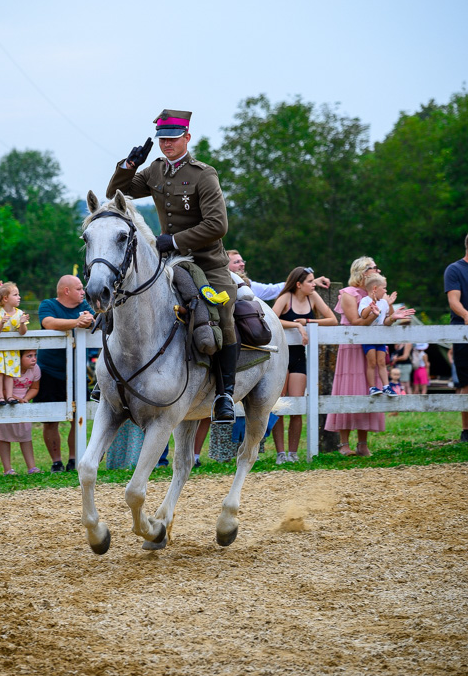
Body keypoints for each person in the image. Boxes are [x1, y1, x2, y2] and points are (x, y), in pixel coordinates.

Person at [106, 108, 238, 423]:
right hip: (167, 261)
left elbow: (218, 224)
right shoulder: (154, 171)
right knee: (126, 297)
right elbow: (115, 193)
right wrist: (129, 165)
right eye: (163, 139)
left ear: (187, 138)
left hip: (206, 261)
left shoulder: (203, 174)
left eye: (173, 139)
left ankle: (225, 394)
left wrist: (177, 241)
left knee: (225, 308)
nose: (167, 144)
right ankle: (111, 378)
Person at [324, 258, 415, 457]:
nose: (378, 269)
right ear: (363, 271)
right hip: (353, 346)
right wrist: (374, 312)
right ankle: (344, 443)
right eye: (374, 267)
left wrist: (392, 311)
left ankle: (363, 442)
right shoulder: (348, 294)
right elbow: (356, 321)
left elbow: (387, 320)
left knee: (368, 387)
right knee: (348, 389)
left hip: (373, 347)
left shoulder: (378, 291)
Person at [271, 267, 337, 463]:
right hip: (282, 357)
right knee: (279, 404)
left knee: (297, 405)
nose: (313, 284)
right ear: (298, 284)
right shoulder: (285, 298)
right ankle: (280, 454)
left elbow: (332, 319)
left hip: (299, 357)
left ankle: (293, 453)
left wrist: (307, 321)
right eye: (309, 281)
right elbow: (272, 319)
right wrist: (297, 325)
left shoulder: (313, 297)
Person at [37, 275, 94, 471]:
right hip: (50, 371)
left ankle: (73, 459)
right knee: (50, 419)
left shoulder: (85, 304)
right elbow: (49, 323)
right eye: (78, 288)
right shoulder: (48, 304)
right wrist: (77, 322)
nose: (83, 292)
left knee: (79, 416)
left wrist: (88, 320)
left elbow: (94, 319)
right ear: (66, 291)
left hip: (78, 371)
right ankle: (56, 462)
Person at [0, 349, 41, 474]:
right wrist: (16, 399)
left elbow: (35, 387)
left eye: (35, 355)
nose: (34, 359)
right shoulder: (9, 367)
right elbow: (2, 389)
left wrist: (25, 399)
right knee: (3, 434)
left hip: (22, 402)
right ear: (18, 358)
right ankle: (7, 468)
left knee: (25, 432)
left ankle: (32, 467)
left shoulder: (35, 369)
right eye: (29, 356)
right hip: (5, 400)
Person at [0, 281, 30, 405]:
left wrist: (21, 323)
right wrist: (1, 323)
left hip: (12, 349)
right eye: (15, 295)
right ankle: (0, 396)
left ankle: (9, 396)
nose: (19, 297)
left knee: (10, 373)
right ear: (5, 298)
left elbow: (22, 332)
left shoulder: (19, 313)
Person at [358, 273, 400, 397]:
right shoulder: (365, 301)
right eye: (384, 288)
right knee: (371, 362)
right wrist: (371, 308)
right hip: (368, 338)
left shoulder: (384, 303)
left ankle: (386, 386)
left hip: (380, 338)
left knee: (382, 362)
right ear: (375, 288)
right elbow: (363, 315)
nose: (386, 291)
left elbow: (387, 320)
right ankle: (372, 387)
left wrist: (391, 308)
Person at [227, 250, 331, 299]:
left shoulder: (249, 285)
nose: (242, 264)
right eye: (237, 262)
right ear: (225, 266)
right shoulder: (219, 284)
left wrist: (310, 282)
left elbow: (273, 290)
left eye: (242, 261)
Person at [444, 235, 468, 442]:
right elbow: (454, 301)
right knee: (467, 381)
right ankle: (466, 430)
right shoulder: (455, 270)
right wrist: (466, 314)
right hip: (463, 330)